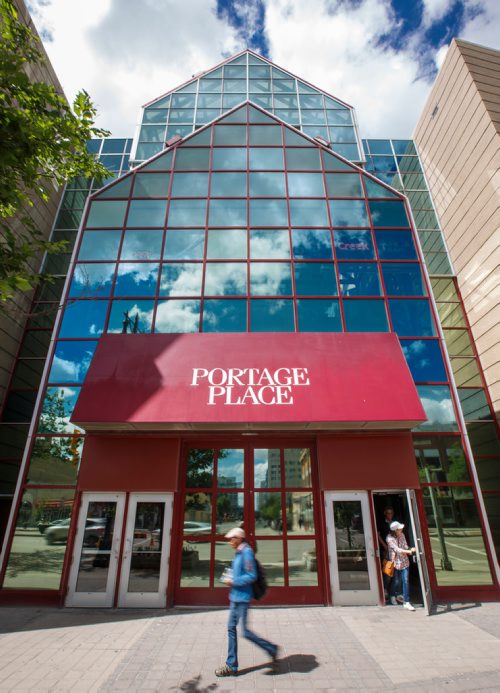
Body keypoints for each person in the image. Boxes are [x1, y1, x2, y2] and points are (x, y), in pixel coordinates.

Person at [215, 527, 279, 677]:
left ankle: (271, 649)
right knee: (231, 628)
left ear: (239, 538)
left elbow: (251, 575)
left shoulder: (247, 552)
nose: (230, 541)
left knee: (246, 632)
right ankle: (231, 665)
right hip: (234, 597)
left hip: (243, 598)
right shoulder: (238, 553)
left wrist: (234, 581)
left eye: (232, 538)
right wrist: (229, 577)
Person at [386, 520, 417, 611]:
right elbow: (397, 549)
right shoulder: (389, 538)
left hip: (404, 562)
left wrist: (411, 549)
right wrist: (408, 551)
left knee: (405, 581)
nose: (401, 530)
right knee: (396, 581)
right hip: (395, 562)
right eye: (399, 529)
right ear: (395, 530)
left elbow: (405, 546)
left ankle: (406, 601)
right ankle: (392, 594)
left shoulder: (402, 535)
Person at [377, 506, 396, 599]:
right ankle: (385, 589)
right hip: (385, 550)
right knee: (387, 570)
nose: (390, 515)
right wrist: (385, 546)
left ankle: (395, 592)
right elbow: (378, 535)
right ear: (385, 513)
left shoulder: (395, 523)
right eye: (388, 513)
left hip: (395, 550)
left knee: (396, 571)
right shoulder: (381, 523)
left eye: (391, 513)